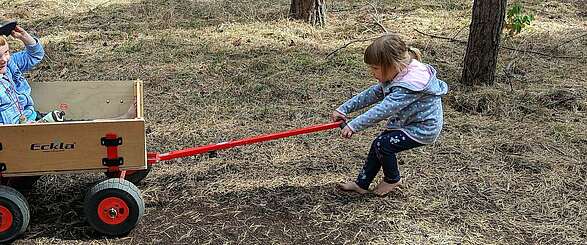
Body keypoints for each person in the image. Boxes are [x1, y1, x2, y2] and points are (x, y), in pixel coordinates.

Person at [332, 33, 448, 196]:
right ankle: (362, 184)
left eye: (375, 68)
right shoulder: (398, 73)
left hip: (423, 128)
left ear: (393, 65)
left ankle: (393, 179)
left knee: (383, 145)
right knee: (378, 145)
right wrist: (344, 109)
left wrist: (353, 125)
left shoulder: (408, 85)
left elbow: (383, 109)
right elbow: (372, 94)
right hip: (408, 122)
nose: (372, 72)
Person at [0, 24, 44, 124]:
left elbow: (35, 55)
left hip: (30, 117)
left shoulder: (10, 63)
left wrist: (25, 37)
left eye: (6, 52)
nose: (4, 59)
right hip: (10, 132)